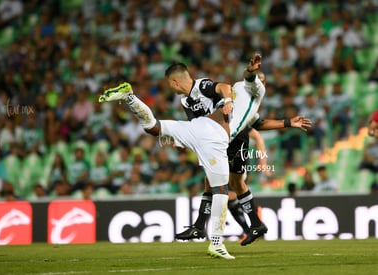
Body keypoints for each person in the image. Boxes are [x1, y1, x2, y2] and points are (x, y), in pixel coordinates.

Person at [165, 54, 311, 246]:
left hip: (232, 138)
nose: (260, 82)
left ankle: (204, 226)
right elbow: (256, 122)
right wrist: (183, 139)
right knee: (218, 182)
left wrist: (246, 78)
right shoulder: (190, 101)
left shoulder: (236, 87)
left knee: (224, 182)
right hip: (218, 138)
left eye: (261, 79)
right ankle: (249, 224)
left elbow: (236, 90)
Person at [98, 72, 238, 259]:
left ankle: (130, 97)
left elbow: (225, 87)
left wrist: (227, 100)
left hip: (204, 133)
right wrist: (183, 140)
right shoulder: (185, 101)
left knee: (153, 127)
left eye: (169, 84)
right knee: (221, 190)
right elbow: (199, 121)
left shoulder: (201, 85)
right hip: (212, 135)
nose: (170, 88)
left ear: (175, 81)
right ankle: (216, 243)